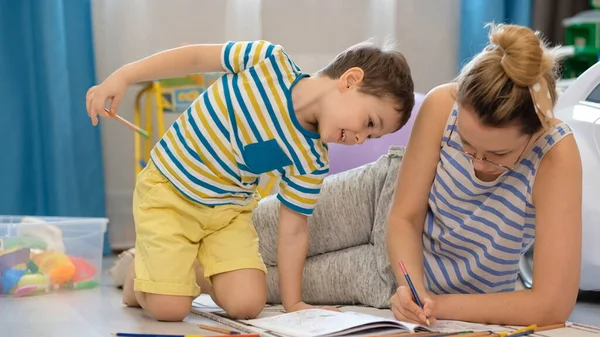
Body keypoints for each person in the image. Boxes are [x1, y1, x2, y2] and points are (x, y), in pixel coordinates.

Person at [85, 39, 415, 321]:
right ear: (349, 80)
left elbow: (295, 228)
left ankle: (173, 268)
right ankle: (136, 274)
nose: (360, 139)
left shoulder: (313, 159)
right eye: (369, 122)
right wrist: (124, 75)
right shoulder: (268, 60)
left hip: (226, 215)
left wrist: (293, 303)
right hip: (170, 191)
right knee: (169, 310)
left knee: (248, 305)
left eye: (371, 137)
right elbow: (194, 57)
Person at [386, 23, 582, 326]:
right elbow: (403, 217)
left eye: (497, 155)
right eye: (465, 143)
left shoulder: (555, 154)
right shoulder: (441, 105)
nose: (477, 163)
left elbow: (552, 306)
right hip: (383, 219)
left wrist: (432, 303)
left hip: (405, 288)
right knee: (286, 241)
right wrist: (412, 288)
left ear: (536, 132)